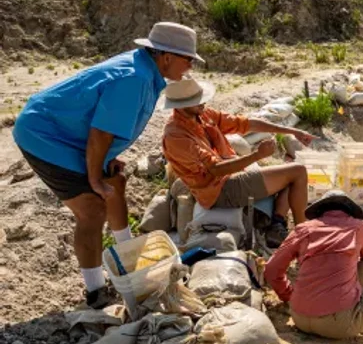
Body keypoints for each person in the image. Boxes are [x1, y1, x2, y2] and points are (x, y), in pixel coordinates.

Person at [12, 22, 200, 309]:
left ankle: (127, 254)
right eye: (188, 60)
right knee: (92, 208)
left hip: (70, 132)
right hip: (46, 135)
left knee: (117, 181)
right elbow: (100, 133)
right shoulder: (134, 78)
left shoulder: (145, 72)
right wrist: (94, 178)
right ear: (167, 56)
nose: (189, 68)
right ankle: (96, 292)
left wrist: (107, 161)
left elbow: (106, 125)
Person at [161, 78, 317, 247]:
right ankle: (304, 238)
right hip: (218, 189)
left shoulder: (202, 115)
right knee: (298, 171)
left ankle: (276, 225)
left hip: (230, 175)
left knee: (290, 173)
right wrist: (256, 156)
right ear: (181, 105)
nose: (203, 103)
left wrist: (293, 131)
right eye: (197, 101)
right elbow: (215, 170)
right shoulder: (176, 136)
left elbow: (246, 124)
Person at [263, 190, 363, 342]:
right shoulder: (357, 226)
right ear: (349, 210)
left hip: (300, 318)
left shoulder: (304, 229)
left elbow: (271, 270)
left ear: (320, 211)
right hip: (339, 325)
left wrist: (288, 295)